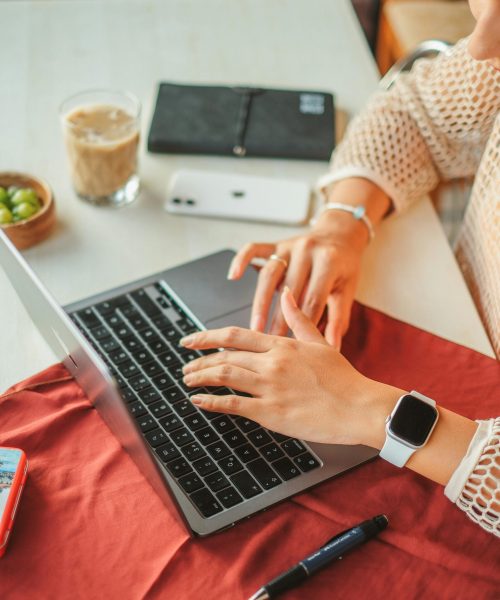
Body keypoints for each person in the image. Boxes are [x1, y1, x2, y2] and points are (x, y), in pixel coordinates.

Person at [181, 0, 500, 537]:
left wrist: (367, 410)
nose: (480, 47)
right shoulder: (493, 50)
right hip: (459, 333)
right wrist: (344, 222)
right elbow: (419, 114)